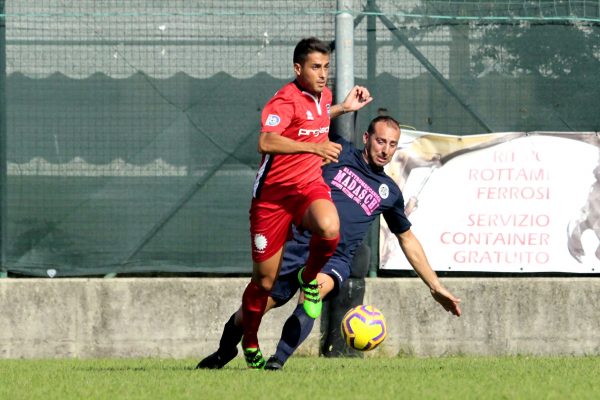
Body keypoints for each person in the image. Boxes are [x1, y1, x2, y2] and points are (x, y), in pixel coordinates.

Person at [197, 115, 462, 371]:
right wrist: (341, 108)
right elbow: (309, 124)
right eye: (381, 141)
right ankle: (224, 352)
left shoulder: (389, 192)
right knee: (250, 312)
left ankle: (276, 362)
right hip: (298, 246)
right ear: (366, 138)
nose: (386, 150)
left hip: (335, 259)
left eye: (392, 144)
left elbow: (407, 238)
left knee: (311, 295)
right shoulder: (339, 152)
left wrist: (435, 285)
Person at [240, 37, 373, 368]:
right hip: (273, 199)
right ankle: (250, 339)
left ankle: (309, 280)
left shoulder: (322, 96)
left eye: (327, 67)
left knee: (330, 228)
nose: (323, 73)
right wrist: (315, 149)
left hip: (308, 187)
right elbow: (266, 141)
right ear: (298, 68)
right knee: (265, 283)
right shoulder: (284, 100)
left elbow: (318, 117)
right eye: (316, 67)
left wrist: (343, 107)